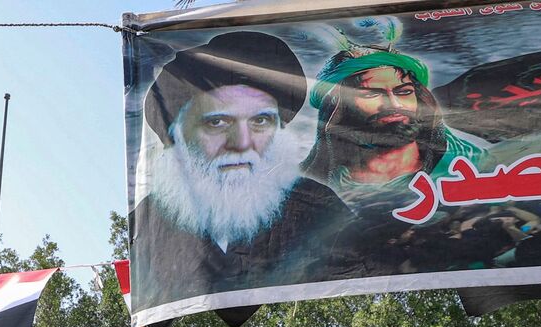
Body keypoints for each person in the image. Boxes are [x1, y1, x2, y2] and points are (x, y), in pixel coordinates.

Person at [132, 31, 353, 310]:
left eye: (261, 120)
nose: (242, 144)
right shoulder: (149, 230)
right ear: (178, 135)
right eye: (217, 123)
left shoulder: (322, 209)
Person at [303, 21, 486, 205]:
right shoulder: (312, 189)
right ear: (339, 107)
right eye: (373, 94)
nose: (395, 104)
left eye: (404, 92)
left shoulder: (472, 163)